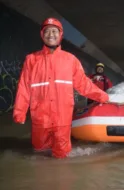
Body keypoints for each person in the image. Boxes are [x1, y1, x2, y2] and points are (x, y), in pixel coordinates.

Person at [13, 17, 109, 158]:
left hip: (62, 119)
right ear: (42, 35)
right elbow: (24, 87)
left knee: (62, 155)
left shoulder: (70, 60)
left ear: (61, 35)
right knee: (39, 153)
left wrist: (103, 97)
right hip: (40, 118)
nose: (51, 34)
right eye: (47, 31)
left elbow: (84, 84)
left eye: (54, 31)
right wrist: (19, 112)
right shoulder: (31, 60)